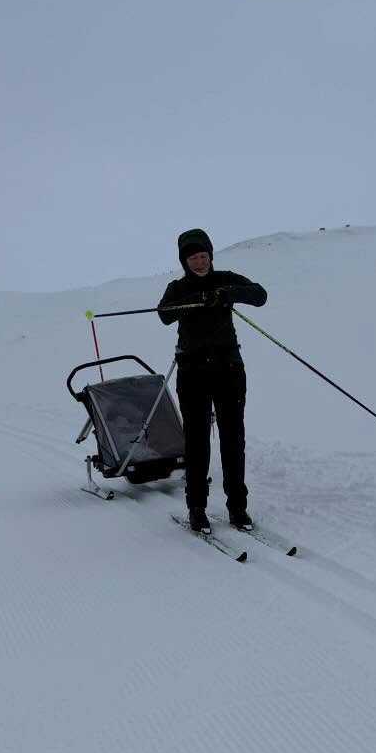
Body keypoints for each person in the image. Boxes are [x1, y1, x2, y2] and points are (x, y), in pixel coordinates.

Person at [156, 228, 267, 534]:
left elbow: (260, 295)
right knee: (197, 442)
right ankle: (196, 508)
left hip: (228, 369)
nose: (200, 261)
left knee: (233, 439)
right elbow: (164, 314)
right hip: (192, 372)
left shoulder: (224, 279)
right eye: (193, 257)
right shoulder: (177, 288)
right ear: (184, 260)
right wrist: (197, 299)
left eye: (204, 255)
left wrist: (227, 295)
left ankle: (238, 508)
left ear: (211, 255)